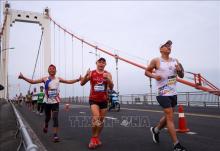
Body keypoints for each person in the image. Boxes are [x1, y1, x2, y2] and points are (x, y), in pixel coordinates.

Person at [18, 64, 81, 142]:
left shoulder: (58, 78)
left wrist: (77, 79)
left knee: (55, 118)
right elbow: (33, 82)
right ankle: (46, 125)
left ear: (55, 70)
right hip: (47, 102)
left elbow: (68, 81)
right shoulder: (45, 79)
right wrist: (23, 77)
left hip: (55, 102)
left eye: (53, 69)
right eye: (50, 69)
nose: (52, 70)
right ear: (48, 71)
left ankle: (55, 135)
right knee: (47, 118)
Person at [145, 40, 187, 151]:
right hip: (162, 93)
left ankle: (156, 130)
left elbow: (182, 75)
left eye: (170, 45)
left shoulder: (175, 61)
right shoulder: (156, 60)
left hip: (173, 93)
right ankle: (176, 145)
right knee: (170, 116)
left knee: (170, 114)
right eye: (166, 45)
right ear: (161, 49)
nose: (169, 47)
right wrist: (154, 76)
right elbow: (146, 72)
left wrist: (179, 70)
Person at [80, 57, 114, 149]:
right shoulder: (91, 73)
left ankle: (96, 137)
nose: (101, 63)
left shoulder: (108, 74)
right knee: (96, 117)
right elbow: (82, 83)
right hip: (93, 99)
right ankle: (93, 138)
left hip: (104, 100)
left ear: (105, 64)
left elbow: (111, 87)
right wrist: (86, 75)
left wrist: (108, 79)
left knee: (101, 121)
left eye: (103, 62)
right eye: (100, 62)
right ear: (97, 63)